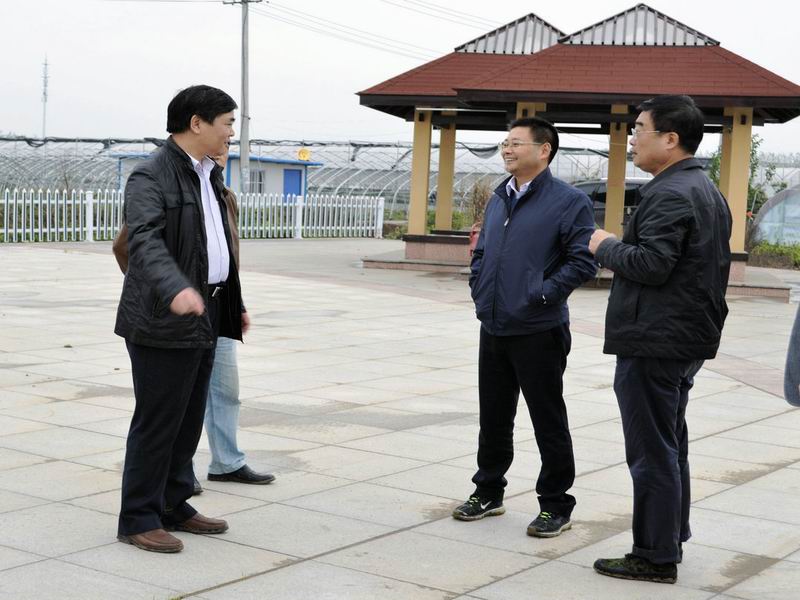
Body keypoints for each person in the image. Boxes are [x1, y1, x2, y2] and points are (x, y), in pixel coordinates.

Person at [589, 95, 732, 583]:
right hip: (682, 337)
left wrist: (605, 245)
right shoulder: (704, 188)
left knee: (651, 450)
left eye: (640, 129)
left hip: (656, 338)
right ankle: (670, 538)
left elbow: (651, 264)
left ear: (670, 139)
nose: (632, 138)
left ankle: (653, 555)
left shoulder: (670, 193)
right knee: (670, 443)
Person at [114, 85, 247, 553]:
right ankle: (138, 517)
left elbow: (217, 245)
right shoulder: (150, 175)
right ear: (196, 123)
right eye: (228, 123)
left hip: (204, 312)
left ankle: (173, 502)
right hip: (162, 317)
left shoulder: (208, 174)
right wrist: (176, 288)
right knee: (158, 421)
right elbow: (144, 240)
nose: (232, 132)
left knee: (188, 419)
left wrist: (233, 304)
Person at [452, 117, 596, 538]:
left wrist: (543, 295)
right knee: (494, 416)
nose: (506, 149)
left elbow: (582, 261)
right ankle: (488, 491)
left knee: (547, 419)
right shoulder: (500, 197)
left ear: (544, 149)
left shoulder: (569, 201)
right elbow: (482, 251)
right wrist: (479, 287)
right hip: (494, 323)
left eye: (516, 143)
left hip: (539, 328)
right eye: (505, 143)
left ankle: (555, 504)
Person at [112, 146, 274, 496]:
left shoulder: (223, 195)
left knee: (220, 393)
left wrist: (236, 303)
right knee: (169, 409)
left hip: (216, 310)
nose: (224, 149)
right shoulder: (163, 183)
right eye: (221, 137)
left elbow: (224, 258)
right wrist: (163, 290)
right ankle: (166, 490)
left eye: (228, 146)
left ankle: (222, 464)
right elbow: (130, 245)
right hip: (177, 314)